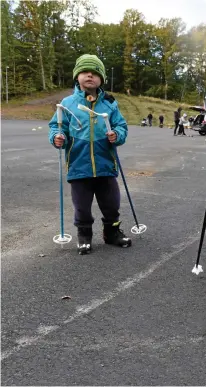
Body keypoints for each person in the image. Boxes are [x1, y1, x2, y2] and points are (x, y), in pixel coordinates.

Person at [48, 54, 132, 255]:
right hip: (79, 164)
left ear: (101, 79)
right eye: (85, 72)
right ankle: (84, 235)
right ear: (77, 76)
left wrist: (116, 135)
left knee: (112, 203)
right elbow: (56, 126)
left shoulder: (110, 103)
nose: (90, 76)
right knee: (82, 206)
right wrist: (58, 137)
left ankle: (111, 232)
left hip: (105, 164)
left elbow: (121, 125)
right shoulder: (67, 103)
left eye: (95, 73)